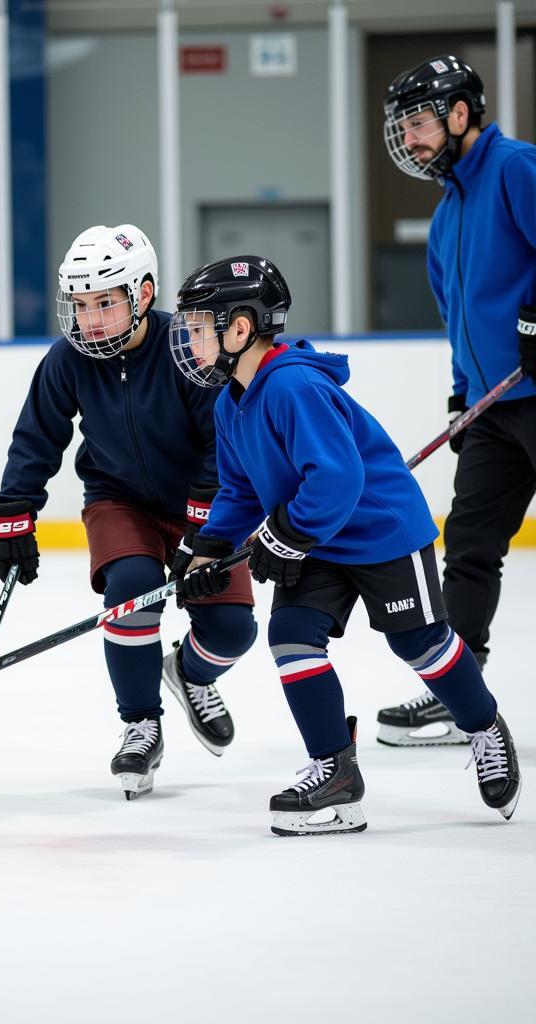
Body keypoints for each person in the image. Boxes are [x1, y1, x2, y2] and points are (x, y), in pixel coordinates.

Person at [170, 254, 520, 836]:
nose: (189, 340)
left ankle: (483, 726)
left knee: (421, 645)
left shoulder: (292, 386)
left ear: (240, 327)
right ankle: (334, 772)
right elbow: (239, 488)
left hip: (379, 532)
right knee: (289, 637)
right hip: (315, 538)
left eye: (199, 326)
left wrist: (286, 536)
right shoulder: (231, 402)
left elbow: (337, 479)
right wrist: (205, 547)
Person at [0, 224, 257, 801]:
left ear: (145, 293)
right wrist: (14, 513)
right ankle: (141, 724)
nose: (91, 320)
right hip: (119, 500)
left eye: (106, 302)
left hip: (205, 506)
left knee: (233, 630)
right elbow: (36, 438)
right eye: (81, 305)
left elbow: (221, 440)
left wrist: (204, 528)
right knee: (130, 592)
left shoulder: (189, 349)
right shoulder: (67, 361)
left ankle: (191, 673)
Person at [377, 55, 536, 746]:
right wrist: (460, 395)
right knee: (469, 547)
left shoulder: (517, 169)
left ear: (461, 114)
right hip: (495, 409)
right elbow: (459, 321)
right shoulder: (445, 218)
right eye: (403, 127)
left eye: (417, 123)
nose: (409, 140)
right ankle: (458, 688)